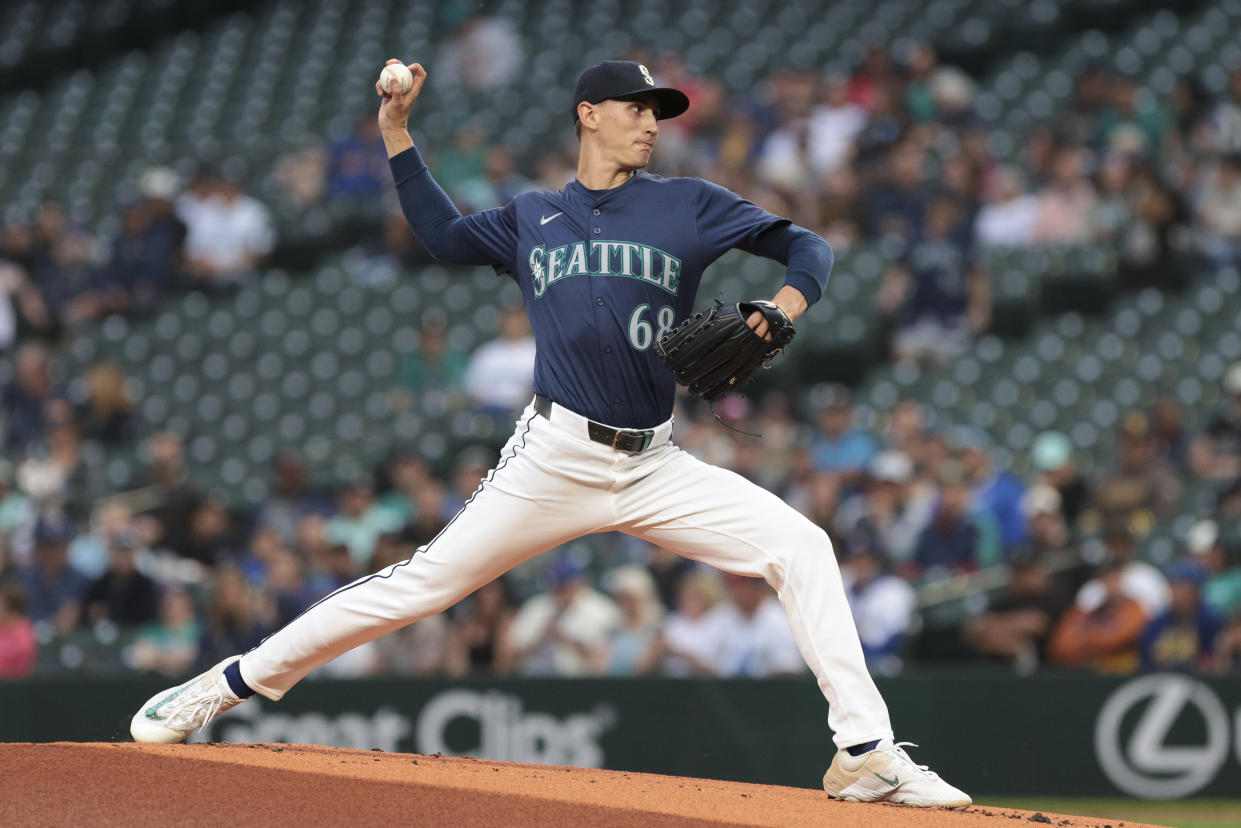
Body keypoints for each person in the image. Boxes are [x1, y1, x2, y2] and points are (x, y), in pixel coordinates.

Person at [129, 58, 970, 809]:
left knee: (802, 546)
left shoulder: (687, 205)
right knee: (418, 587)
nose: (651, 121)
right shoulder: (534, 216)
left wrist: (780, 308)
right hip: (553, 456)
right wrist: (396, 133)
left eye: (658, 111)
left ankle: (865, 754)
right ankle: (222, 685)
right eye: (635, 106)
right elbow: (442, 237)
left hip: (656, 463)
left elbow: (806, 245)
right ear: (588, 114)